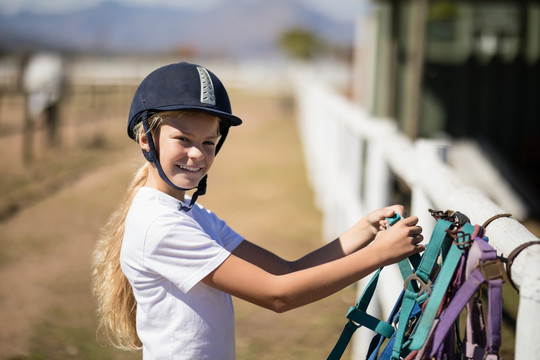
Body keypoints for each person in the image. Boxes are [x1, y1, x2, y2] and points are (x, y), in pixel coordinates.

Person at [91, 62, 425, 359]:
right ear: (146, 139)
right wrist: (379, 255)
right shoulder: (161, 225)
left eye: (208, 142)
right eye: (183, 139)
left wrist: (363, 232)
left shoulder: (191, 213)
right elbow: (277, 295)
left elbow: (284, 272)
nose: (197, 154)